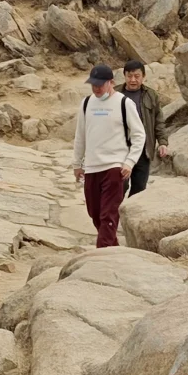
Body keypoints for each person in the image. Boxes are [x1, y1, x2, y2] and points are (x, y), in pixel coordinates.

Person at [73, 64, 146, 248]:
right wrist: (77, 163)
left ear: (111, 82)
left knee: (108, 214)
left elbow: (139, 135)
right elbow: (80, 135)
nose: (96, 88)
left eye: (100, 84)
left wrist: (129, 162)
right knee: (95, 213)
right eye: (93, 85)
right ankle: (112, 248)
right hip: (91, 167)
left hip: (115, 167)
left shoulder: (124, 103)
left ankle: (102, 254)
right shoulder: (87, 103)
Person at [116, 59, 169, 196]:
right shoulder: (114, 95)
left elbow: (159, 121)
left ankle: (132, 216)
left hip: (143, 149)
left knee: (139, 188)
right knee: (119, 186)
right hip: (120, 149)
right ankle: (113, 215)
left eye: (137, 76)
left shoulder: (151, 95)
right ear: (124, 76)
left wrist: (162, 142)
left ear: (143, 76)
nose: (133, 80)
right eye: (129, 76)